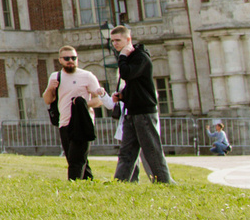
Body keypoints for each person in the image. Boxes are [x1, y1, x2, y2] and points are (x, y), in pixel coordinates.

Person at [109, 25, 172, 184]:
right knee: (127, 151)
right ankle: (121, 182)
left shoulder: (140, 57)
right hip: (132, 112)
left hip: (144, 112)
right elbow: (135, 85)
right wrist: (122, 96)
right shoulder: (131, 58)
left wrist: (122, 56)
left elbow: (126, 73)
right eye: (112, 41)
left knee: (151, 150)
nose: (115, 44)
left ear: (128, 39)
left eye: (118, 40)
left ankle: (164, 182)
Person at [44, 49, 107, 181]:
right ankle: (88, 182)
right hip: (64, 122)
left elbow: (99, 100)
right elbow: (48, 100)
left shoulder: (87, 76)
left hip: (82, 123)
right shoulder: (56, 77)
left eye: (73, 58)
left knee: (76, 159)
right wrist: (50, 88)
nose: (71, 61)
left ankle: (73, 183)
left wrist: (82, 105)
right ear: (60, 60)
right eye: (67, 58)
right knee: (73, 157)